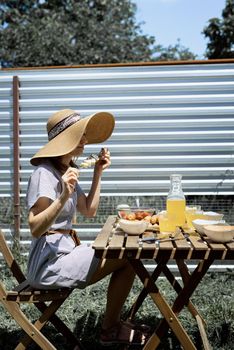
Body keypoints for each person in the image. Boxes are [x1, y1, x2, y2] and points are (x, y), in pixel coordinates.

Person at [26, 109, 149, 346]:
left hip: (65, 253)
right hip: (48, 264)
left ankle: (112, 326)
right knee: (127, 255)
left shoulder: (65, 170)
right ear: (66, 139)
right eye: (80, 135)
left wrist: (98, 172)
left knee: (126, 252)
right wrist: (62, 197)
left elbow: (89, 210)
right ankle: (110, 330)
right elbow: (34, 228)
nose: (85, 140)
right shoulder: (44, 173)